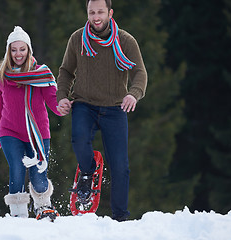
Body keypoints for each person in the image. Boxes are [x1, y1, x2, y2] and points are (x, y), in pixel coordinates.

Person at [56, 0, 147, 221]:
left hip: (115, 108)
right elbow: (66, 71)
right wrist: (62, 97)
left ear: (110, 13)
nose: (96, 17)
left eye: (100, 12)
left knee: (120, 167)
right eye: (91, 12)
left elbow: (140, 73)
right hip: (84, 104)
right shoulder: (77, 39)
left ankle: (120, 217)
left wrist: (132, 94)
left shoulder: (125, 41)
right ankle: (88, 172)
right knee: (79, 139)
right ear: (87, 13)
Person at [0, 26, 61, 220]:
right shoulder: (3, 77)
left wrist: (63, 106)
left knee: (38, 176)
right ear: (8, 52)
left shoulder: (40, 74)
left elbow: (53, 102)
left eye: (22, 49)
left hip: (37, 132)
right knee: (17, 168)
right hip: (9, 131)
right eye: (14, 50)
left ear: (28, 50)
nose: (18, 54)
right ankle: (18, 215)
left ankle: (43, 204)